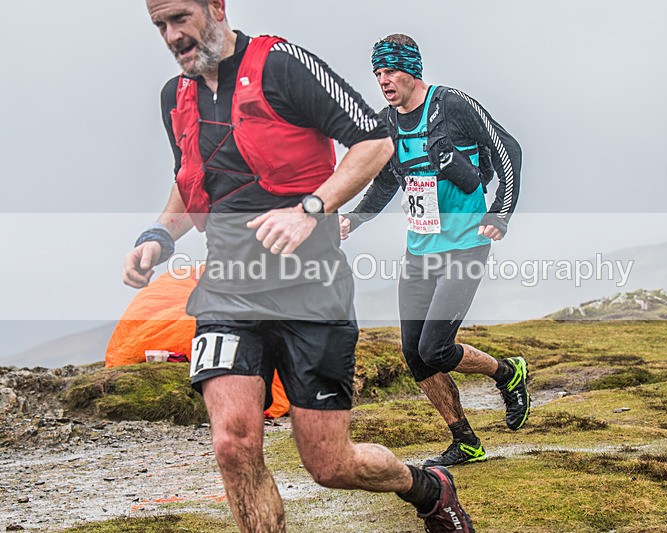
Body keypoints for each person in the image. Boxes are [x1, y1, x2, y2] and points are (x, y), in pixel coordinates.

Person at [124, 2, 474, 532]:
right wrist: (157, 236)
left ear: (216, 7)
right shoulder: (176, 97)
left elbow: (375, 143)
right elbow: (190, 177)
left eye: (180, 18)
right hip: (229, 290)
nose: (173, 36)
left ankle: (426, 487)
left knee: (330, 465)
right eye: (160, 26)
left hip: (312, 289)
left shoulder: (281, 64)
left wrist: (312, 208)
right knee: (232, 444)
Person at [340, 34, 528, 468]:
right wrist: (356, 217)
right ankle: (465, 440)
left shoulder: (452, 105)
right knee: (413, 353)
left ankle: (507, 372)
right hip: (420, 251)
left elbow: (508, 150)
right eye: (378, 74)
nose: (384, 81)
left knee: (436, 348)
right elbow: (388, 179)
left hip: (465, 246)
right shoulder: (386, 122)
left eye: (390, 71)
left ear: (413, 71)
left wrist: (500, 212)